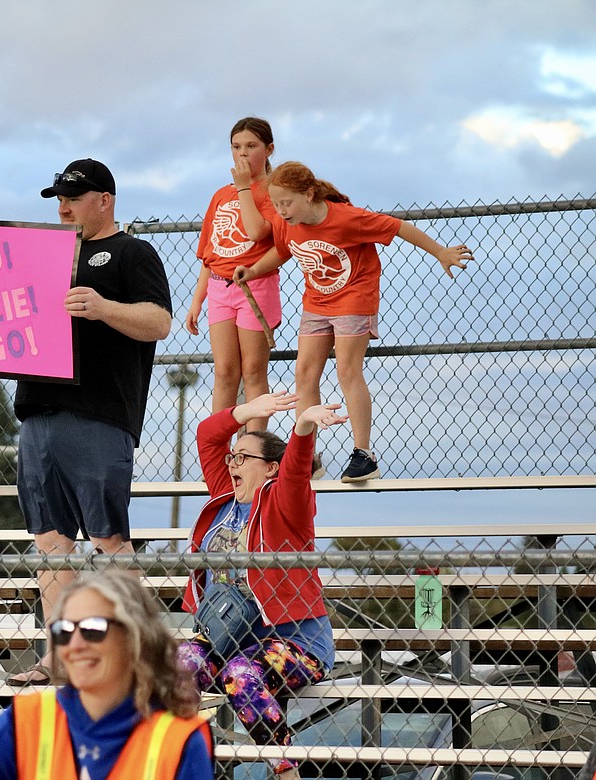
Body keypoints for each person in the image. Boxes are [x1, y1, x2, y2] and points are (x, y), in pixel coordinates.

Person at [9, 159, 172, 685]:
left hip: (98, 412)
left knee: (107, 538)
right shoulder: (42, 256)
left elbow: (159, 321)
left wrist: (103, 307)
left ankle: (144, 653)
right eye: (58, 198)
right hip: (38, 410)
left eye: (73, 198)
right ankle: (58, 656)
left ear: (105, 199)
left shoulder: (131, 251)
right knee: (50, 542)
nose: (62, 208)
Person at [234, 161, 473, 482]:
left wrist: (440, 252)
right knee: (304, 372)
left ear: (309, 195)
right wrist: (253, 270)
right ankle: (307, 456)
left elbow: (398, 227)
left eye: (286, 203)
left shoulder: (347, 218)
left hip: (354, 298)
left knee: (347, 369)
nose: (281, 210)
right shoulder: (284, 222)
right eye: (276, 204)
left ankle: (363, 454)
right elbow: (283, 251)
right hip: (317, 302)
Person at [177, 391, 346, 779]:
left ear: (270, 469)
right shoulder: (224, 498)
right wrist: (247, 413)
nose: (232, 463)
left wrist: (303, 426)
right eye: (231, 458)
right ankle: (182, 764)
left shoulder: (285, 503)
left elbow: (297, 468)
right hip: (227, 635)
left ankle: (286, 773)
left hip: (296, 644)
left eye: (243, 458)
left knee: (240, 673)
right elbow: (206, 435)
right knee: (175, 667)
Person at [0, 571, 214, 779]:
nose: (75, 645)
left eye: (92, 629)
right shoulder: (30, 719)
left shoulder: (178, 740)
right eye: (63, 631)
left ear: (133, 638)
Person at [185, 118, 282, 431]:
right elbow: (209, 256)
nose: (243, 154)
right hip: (219, 290)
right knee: (225, 370)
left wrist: (244, 187)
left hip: (254, 287)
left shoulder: (271, 191)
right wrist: (197, 301)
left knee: (253, 370)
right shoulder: (219, 195)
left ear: (268, 150)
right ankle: (219, 445)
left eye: (251, 146)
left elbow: (257, 232)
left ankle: (254, 446)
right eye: (236, 146)